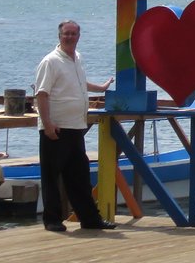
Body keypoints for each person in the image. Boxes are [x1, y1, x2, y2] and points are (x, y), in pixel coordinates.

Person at [33, 19, 118, 232]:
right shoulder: (50, 61)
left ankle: (90, 219)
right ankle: (52, 219)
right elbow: (41, 94)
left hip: (76, 127)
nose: (69, 37)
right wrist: (47, 124)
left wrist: (101, 87)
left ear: (79, 36)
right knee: (52, 176)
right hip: (56, 128)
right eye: (66, 34)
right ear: (59, 36)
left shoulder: (77, 58)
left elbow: (79, 83)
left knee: (79, 176)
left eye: (73, 34)